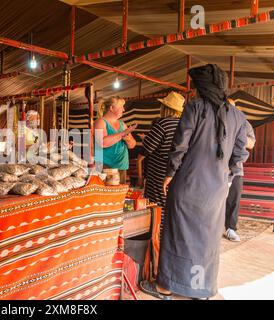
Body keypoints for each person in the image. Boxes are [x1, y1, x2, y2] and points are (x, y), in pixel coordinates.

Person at [140, 64, 249, 300]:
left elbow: (180, 145)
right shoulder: (238, 116)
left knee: (177, 233)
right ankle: (200, 289)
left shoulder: (194, 108)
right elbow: (240, 155)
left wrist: (170, 173)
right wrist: (226, 177)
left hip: (188, 184)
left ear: (202, 88)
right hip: (217, 189)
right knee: (207, 238)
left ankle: (166, 287)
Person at [136, 92, 185, 231]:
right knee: (172, 207)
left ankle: (157, 239)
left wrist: (140, 177)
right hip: (177, 174)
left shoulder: (163, 124)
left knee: (157, 207)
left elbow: (144, 152)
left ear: (165, 108)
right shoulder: (185, 125)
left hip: (158, 175)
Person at [224, 116, 256, 242]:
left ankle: (230, 228)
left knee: (234, 199)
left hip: (236, 168)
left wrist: (236, 133)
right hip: (216, 166)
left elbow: (251, 144)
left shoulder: (244, 122)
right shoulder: (216, 119)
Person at [94, 96, 137, 184]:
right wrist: (122, 134)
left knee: (119, 195)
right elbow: (102, 143)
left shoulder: (122, 124)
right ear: (111, 108)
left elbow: (132, 145)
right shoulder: (100, 122)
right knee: (107, 196)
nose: (124, 109)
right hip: (105, 167)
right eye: (121, 107)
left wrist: (128, 139)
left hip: (121, 166)